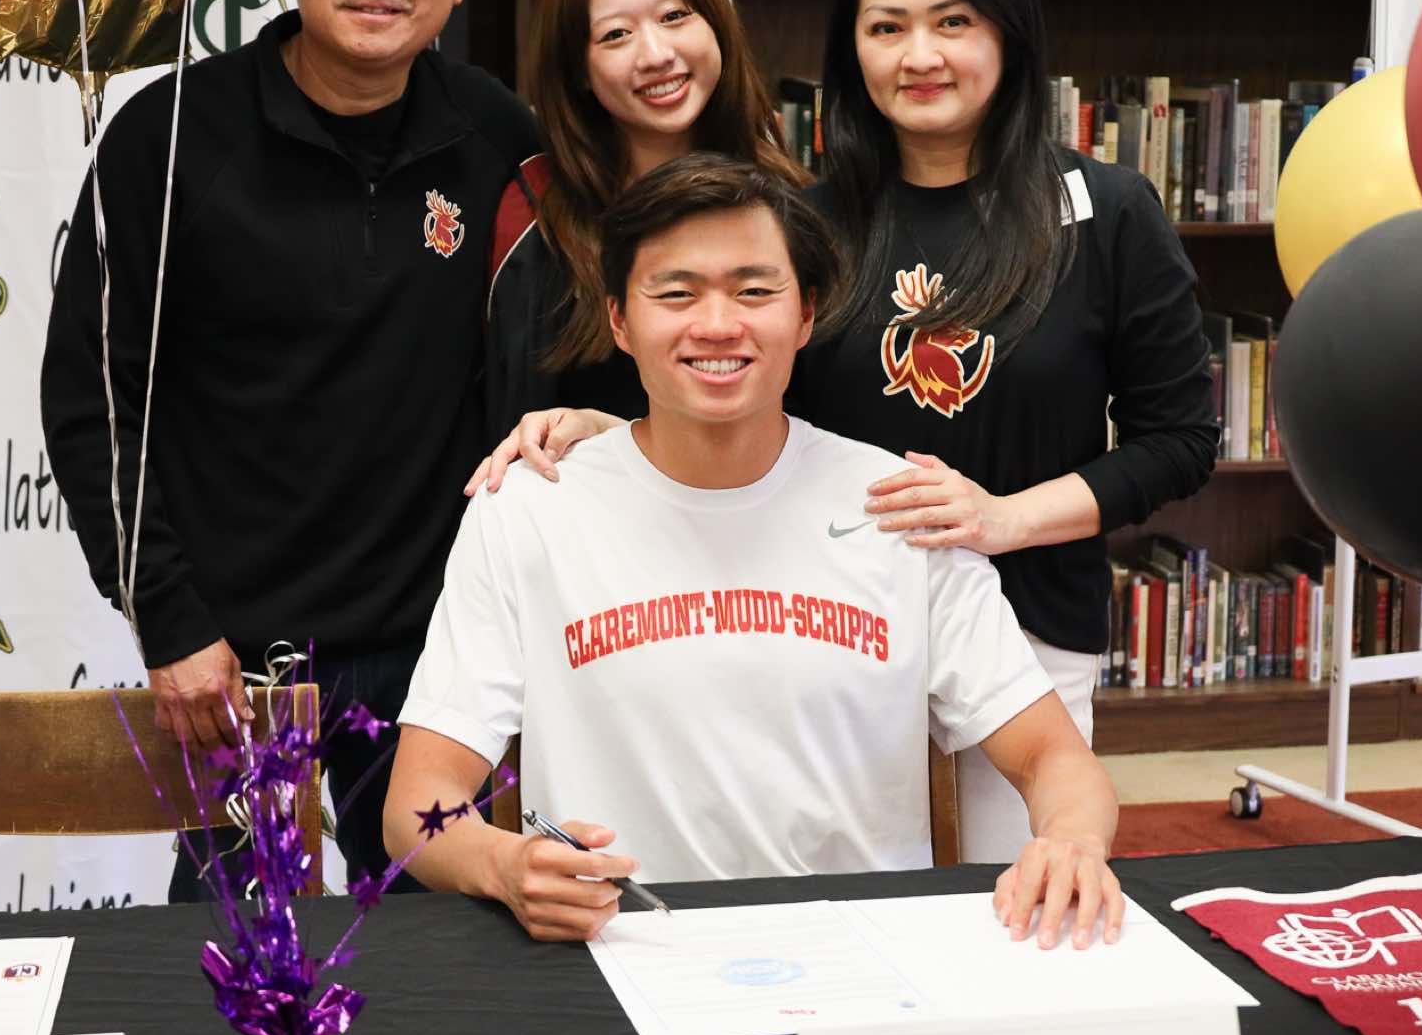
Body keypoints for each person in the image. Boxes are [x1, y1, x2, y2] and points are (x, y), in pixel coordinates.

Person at [472, 0, 1218, 866]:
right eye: (886, 27)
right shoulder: (806, 218)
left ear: (1009, 30)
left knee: (1011, 904)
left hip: (1029, 623)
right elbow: (750, 408)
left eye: (953, 20)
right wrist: (602, 429)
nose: (920, 55)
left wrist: (1002, 519)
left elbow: (1179, 441)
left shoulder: (1105, 210)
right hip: (826, 631)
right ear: (851, 49)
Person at [388, 153, 1124, 948]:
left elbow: (1055, 757)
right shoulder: (530, 510)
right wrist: (503, 864)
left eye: (753, 291)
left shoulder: (899, 509)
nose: (716, 324)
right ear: (620, 321)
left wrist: (1070, 840)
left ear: (806, 314)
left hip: (864, 966)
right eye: (677, 293)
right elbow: (416, 806)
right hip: (623, 955)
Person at [41, 0, 543, 901]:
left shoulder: (496, 135)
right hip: (232, 660)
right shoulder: (169, 138)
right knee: (235, 961)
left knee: (443, 956)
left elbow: (554, 353)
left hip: (437, 653)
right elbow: (92, 403)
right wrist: (169, 621)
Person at [479, 0, 805, 455]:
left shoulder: (789, 205)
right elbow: (520, 442)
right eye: (616, 35)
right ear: (578, 70)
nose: (656, 55)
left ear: (717, 24)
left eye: (675, 16)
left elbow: (818, 423)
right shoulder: (539, 221)